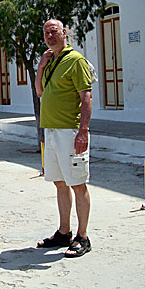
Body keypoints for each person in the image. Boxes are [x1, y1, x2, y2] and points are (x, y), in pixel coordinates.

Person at [35, 19, 93, 258]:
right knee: (59, 183)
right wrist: (41, 66)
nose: (50, 35)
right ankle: (64, 232)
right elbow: (40, 92)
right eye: (47, 32)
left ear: (64, 33)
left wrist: (83, 130)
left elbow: (86, 96)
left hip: (70, 132)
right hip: (51, 131)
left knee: (77, 183)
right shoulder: (50, 61)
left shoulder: (75, 60)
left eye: (54, 31)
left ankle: (83, 237)